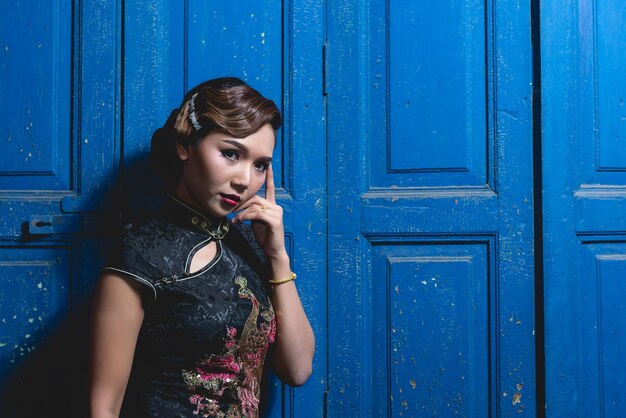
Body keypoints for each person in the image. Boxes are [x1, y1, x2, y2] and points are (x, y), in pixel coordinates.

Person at [89, 77, 315, 418]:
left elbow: (297, 370)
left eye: (260, 165)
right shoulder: (140, 255)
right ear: (185, 145)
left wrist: (277, 258)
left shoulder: (252, 244)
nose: (244, 180)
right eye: (230, 153)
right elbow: (103, 406)